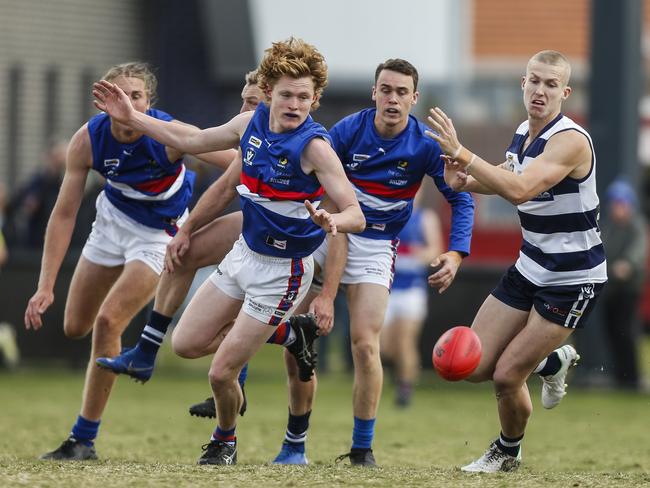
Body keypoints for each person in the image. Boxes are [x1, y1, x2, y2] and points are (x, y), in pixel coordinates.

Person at [92, 37, 365, 465]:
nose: (295, 104)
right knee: (184, 344)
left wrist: (334, 221)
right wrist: (134, 117)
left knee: (220, 371)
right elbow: (197, 140)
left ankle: (225, 441)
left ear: (315, 100)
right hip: (243, 256)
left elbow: (356, 213)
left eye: (305, 97)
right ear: (270, 91)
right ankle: (292, 333)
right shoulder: (248, 125)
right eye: (287, 94)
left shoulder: (315, 148)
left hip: (283, 272)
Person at [24, 62, 236, 461]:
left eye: (136, 95)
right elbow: (64, 213)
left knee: (109, 321)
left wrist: (283, 175)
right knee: (74, 326)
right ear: (105, 101)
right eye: (118, 95)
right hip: (111, 223)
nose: (127, 102)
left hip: (159, 234)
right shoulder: (87, 140)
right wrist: (45, 285)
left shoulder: (168, 135)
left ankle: (82, 438)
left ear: (148, 102)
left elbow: (236, 160)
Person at [271, 58, 475, 467]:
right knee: (294, 340)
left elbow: (460, 196)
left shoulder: (423, 144)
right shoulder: (348, 131)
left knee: (366, 345)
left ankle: (362, 449)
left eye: (402, 92)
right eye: (386, 89)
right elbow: (312, 178)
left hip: (376, 246)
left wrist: (455, 252)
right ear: (374, 93)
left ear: (414, 99)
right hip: (327, 235)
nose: (393, 99)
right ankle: (295, 443)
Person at [95, 68, 321, 420]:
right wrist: (185, 230)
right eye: (243, 102)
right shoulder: (252, 129)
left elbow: (345, 207)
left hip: (297, 248)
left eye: (251, 103)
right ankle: (152, 349)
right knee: (187, 256)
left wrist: (331, 280)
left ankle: (300, 440)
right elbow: (198, 149)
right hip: (255, 235)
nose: (244, 109)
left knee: (318, 355)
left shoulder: (306, 143)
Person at [426, 50, 607, 473]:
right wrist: (466, 180)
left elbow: (523, 189)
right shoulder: (524, 130)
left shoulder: (571, 140)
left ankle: (507, 452)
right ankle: (552, 361)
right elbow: (509, 179)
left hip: (572, 276)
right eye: (534, 81)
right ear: (522, 84)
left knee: (507, 375)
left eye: (550, 84)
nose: (540, 91)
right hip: (530, 265)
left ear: (565, 92)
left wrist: (464, 153)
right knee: (472, 365)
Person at [380, 189, 442, 407]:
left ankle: (405, 390)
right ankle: (395, 374)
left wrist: (420, 254)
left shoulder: (425, 218)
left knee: (406, 341)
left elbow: (436, 250)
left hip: (412, 288)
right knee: (385, 346)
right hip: (386, 288)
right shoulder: (387, 214)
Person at [600, 179, 647, 390]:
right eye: (614, 204)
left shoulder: (636, 226)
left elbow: (638, 251)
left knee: (625, 331)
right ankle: (620, 376)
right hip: (611, 289)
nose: (617, 209)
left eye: (621, 203)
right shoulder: (609, 227)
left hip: (628, 289)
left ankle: (632, 378)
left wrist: (627, 264)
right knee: (612, 331)